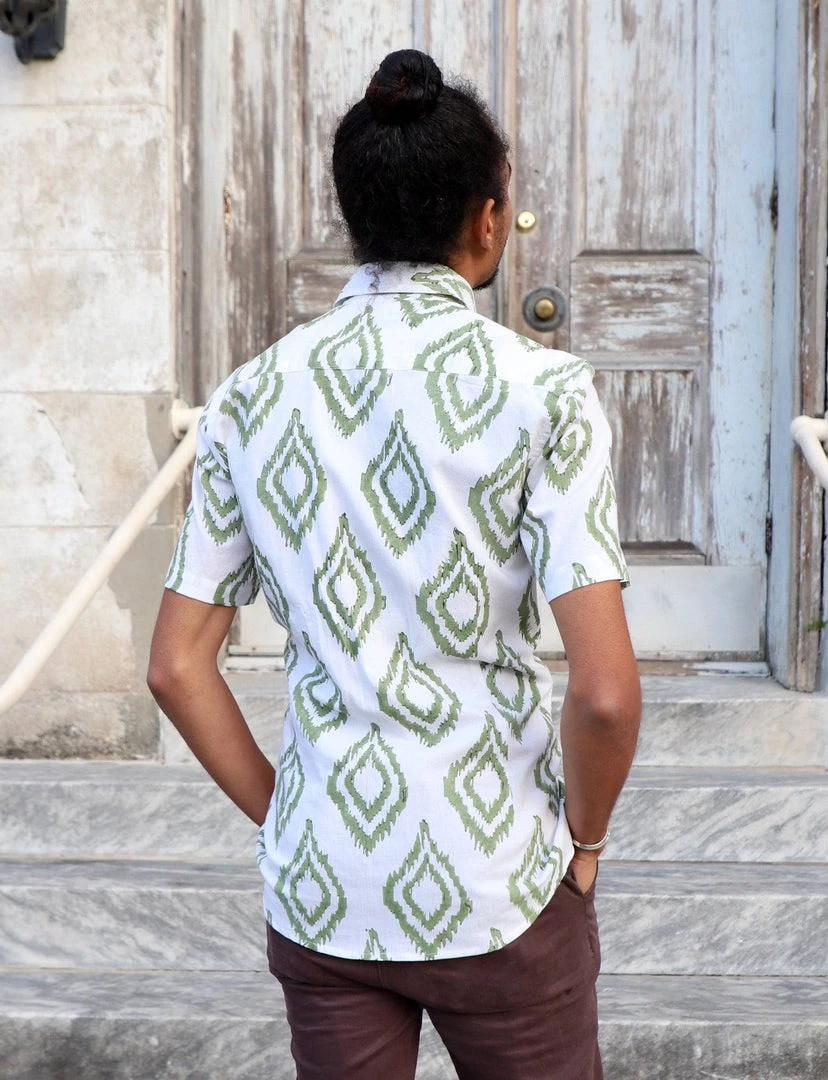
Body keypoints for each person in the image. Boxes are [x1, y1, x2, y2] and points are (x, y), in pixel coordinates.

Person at [148, 48, 641, 1080]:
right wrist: (584, 848)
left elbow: (177, 667)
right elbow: (603, 697)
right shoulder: (545, 393)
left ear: (355, 216)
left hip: (327, 885)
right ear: (488, 220)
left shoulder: (248, 397)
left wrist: (288, 815)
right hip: (500, 880)